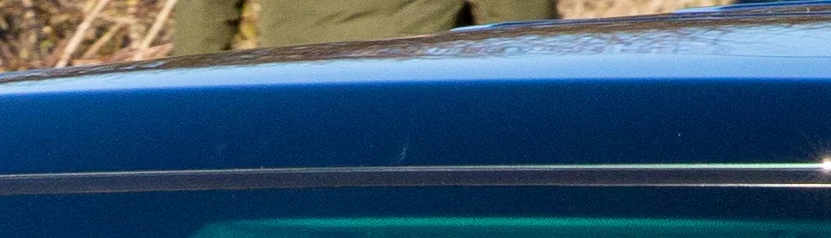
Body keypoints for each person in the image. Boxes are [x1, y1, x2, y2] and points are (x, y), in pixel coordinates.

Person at [171, 0, 555, 57]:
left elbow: (203, 15)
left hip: (293, 85)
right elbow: (518, 20)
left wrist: (186, 104)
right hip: (415, 87)